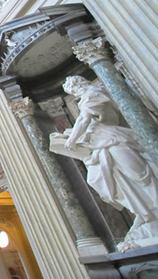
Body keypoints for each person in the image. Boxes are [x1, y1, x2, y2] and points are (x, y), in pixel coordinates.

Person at [51, 76, 158, 250]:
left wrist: (72, 138)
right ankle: (143, 211)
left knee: (139, 175)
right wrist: (67, 135)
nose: (75, 94)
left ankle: (151, 208)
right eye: (72, 92)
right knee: (97, 178)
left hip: (114, 140)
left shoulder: (94, 93)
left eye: (74, 90)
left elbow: (85, 120)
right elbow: (89, 124)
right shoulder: (86, 99)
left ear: (80, 84)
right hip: (102, 143)